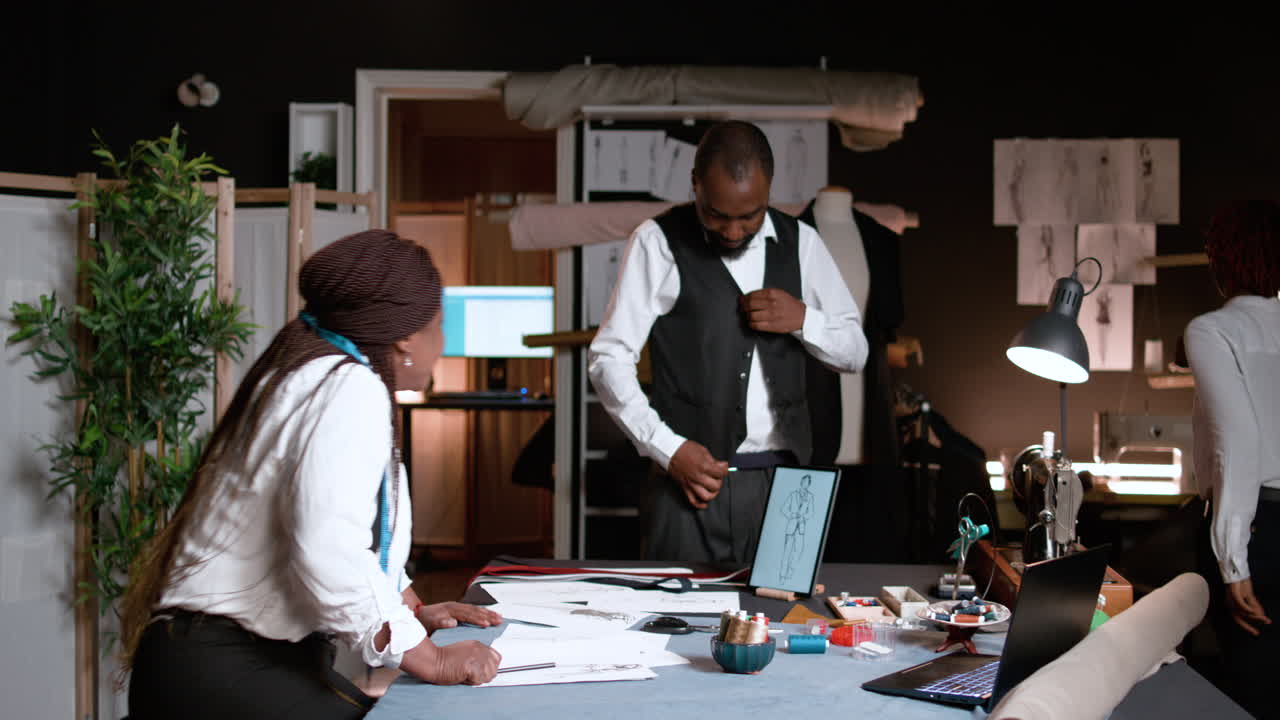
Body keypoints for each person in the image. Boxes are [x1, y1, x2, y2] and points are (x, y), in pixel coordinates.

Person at [122, 230, 502, 719]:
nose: (442, 345)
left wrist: (408, 610)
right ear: (407, 337)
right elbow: (327, 547)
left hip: (201, 659)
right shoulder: (349, 389)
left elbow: (351, 539)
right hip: (222, 670)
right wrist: (430, 658)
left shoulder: (312, 371)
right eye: (439, 326)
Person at [588, 120, 867, 564]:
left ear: (769, 191)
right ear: (695, 184)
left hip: (793, 486)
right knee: (674, 624)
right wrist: (668, 448)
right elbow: (607, 359)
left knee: (785, 621)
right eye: (717, 215)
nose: (733, 232)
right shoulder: (657, 242)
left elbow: (856, 351)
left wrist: (803, 320)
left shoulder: (804, 244)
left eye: (749, 217)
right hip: (688, 485)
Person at [1185, 199, 1280, 719]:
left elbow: (1237, 443)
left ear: (1223, 260)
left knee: (1252, 692)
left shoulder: (1212, 330)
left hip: (1257, 532)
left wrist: (1233, 560)